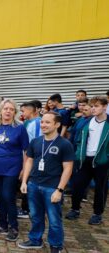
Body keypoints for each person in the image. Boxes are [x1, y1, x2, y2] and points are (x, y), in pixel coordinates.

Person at [18, 112, 74, 253]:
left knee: (54, 220)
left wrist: (60, 190)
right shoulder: (36, 141)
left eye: (48, 122)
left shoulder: (64, 144)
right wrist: (25, 181)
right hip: (33, 185)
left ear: (57, 124)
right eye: (42, 122)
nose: (43, 125)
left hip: (52, 188)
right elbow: (29, 161)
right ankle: (35, 240)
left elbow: (68, 169)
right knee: (35, 216)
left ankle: (56, 245)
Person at [0, 99, 29, 242]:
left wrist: (24, 168)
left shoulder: (20, 127)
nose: (8, 111)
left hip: (12, 167)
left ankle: (13, 227)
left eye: (11, 109)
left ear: (15, 112)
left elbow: (26, 150)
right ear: (0, 110)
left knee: (8, 196)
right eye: (5, 108)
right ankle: (2, 224)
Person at [66, 96, 109, 225]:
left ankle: (97, 214)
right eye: (92, 106)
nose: (93, 109)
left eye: (96, 106)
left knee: (100, 188)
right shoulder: (87, 121)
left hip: (102, 161)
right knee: (77, 184)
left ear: (105, 107)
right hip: (85, 159)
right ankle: (75, 209)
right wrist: (78, 153)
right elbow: (79, 139)